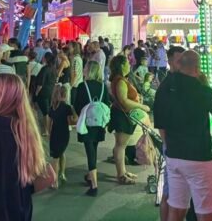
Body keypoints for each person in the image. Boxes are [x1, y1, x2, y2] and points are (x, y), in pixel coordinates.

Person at [0, 73, 55, 220]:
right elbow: (48, 175)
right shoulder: (24, 132)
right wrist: (20, 192)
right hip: (20, 212)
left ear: (4, 98)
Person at [153, 50, 212, 221]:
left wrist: (167, 145)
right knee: (205, 210)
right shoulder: (202, 89)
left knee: (176, 207)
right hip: (199, 157)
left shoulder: (165, 88)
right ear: (197, 67)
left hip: (174, 154)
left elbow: (160, 122)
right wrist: (209, 88)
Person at [154, 45, 185, 221]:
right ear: (170, 61)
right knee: (171, 191)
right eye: (178, 60)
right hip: (173, 147)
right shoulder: (167, 87)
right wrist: (167, 145)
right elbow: (160, 119)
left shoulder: (182, 83)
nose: (181, 64)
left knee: (175, 191)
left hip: (182, 146)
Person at [108, 55, 150, 185]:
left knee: (121, 146)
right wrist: (142, 106)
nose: (130, 64)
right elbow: (124, 101)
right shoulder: (120, 81)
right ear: (121, 65)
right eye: (127, 63)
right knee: (120, 146)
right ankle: (121, 174)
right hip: (123, 116)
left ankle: (123, 171)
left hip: (123, 115)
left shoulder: (120, 80)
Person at [73, 60, 111, 196]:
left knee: (89, 150)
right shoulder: (103, 86)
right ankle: (90, 176)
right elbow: (107, 104)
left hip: (87, 123)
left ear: (88, 70)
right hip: (100, 123)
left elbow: (77, 105)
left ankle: (94, 186)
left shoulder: (83, 86)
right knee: (93, 148)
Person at [47, 82, 75, 188]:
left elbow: (49, 123)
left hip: (55, 134)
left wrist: (49, 134)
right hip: (65, 134)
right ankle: (62, 174)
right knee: (61, 153)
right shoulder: (67, 107)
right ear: (65, 95)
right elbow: (71, 121)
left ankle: (55, 181)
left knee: (55, 158)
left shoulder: (52, 108)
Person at [33, 51, 57, 132]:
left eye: (43, 56)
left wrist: (36, 93)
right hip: (51, 91)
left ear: (46, 59)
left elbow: (40, 83)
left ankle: (46, 130)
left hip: (43, 92)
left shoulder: (44, 69)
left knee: (44, 112)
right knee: (47, 111)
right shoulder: (53, 68)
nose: (42, 58)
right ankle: (48, 129)